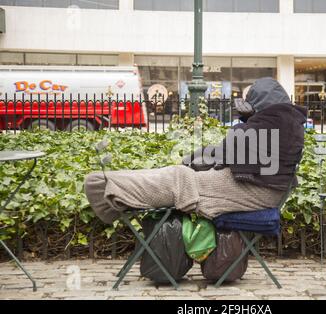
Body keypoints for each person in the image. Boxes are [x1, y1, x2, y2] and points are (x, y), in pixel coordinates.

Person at [84, 77, 307, 224]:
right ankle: (112, 185)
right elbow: (237, 151)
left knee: (179, 179)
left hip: (256, 193)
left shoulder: (273, 121)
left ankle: (109, 187)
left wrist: (244, 121)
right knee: (181, 175)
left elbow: (234, 147)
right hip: (260, 189)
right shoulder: (284, 121)